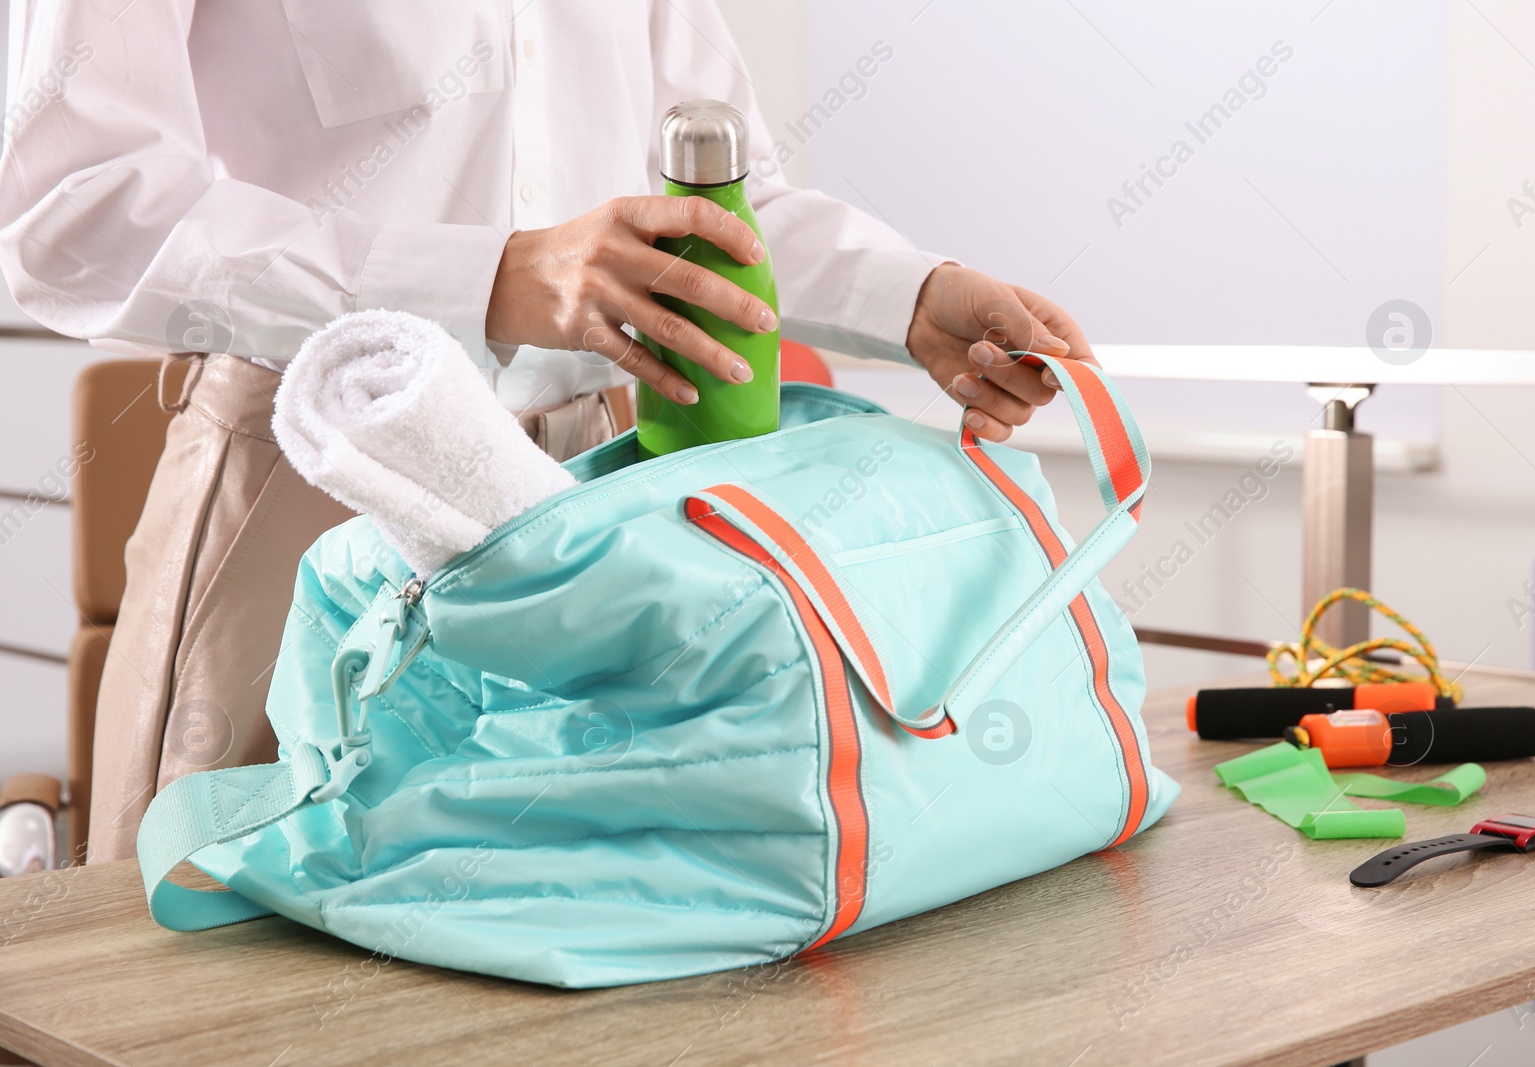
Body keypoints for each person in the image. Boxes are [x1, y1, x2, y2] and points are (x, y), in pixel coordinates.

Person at [0, 2, 1095, 861]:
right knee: (207, 973)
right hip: (315, 463)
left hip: (596, 480)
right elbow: (68, 209)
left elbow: (719, 200)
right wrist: (487, 277)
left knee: (564, 946)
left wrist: (909, 295)